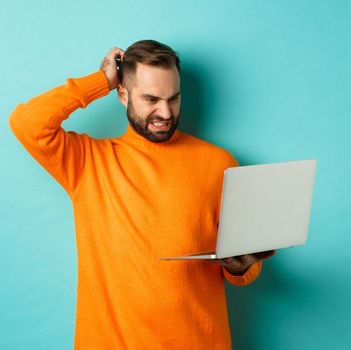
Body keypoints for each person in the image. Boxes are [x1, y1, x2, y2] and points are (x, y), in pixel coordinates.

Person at [8, 40, 275, 348]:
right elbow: (27, 123)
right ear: (123, 95)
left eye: (174, 99)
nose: (165, 112)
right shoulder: (88, 162)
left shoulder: (219, 164)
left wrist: (239, 267)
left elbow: (247, 269)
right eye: (151, 99)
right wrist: (101, 81)